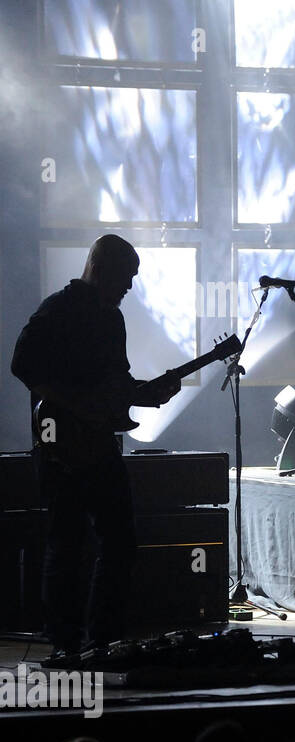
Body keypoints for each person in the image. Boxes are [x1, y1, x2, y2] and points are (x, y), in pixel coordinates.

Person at [10, 235, 181, 663]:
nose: (129, 287)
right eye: (126, 277)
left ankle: (100, 640)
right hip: (58, 447)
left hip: (100, 444)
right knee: (67, 542)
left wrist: (149, 394)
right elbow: (22, 365)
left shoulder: (111, 320)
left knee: (118, 540)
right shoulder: (57, 310)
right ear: (100, 268)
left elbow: (116, 386)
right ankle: (66, 643)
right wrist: (78, 404)